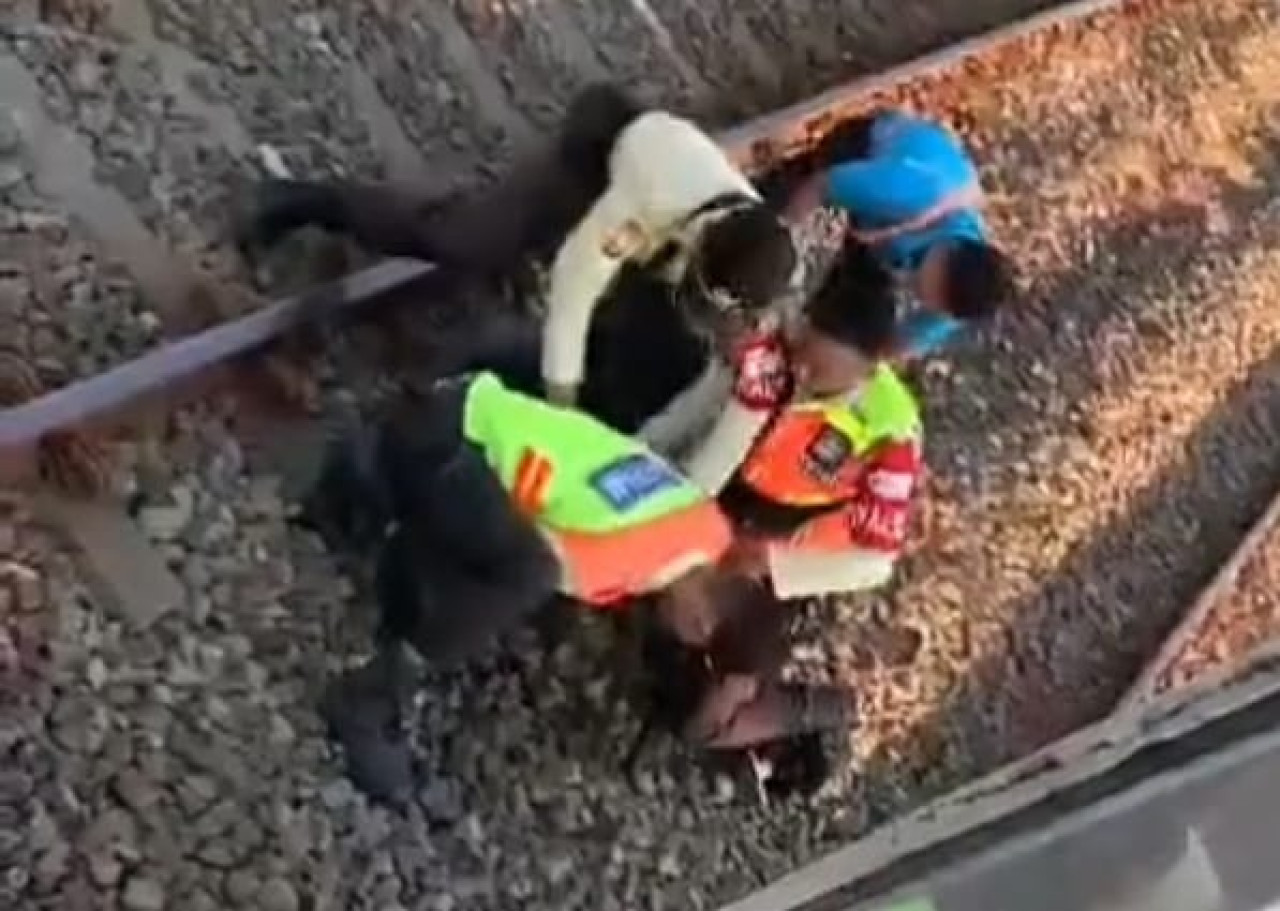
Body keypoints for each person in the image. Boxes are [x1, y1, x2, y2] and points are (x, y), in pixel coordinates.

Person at [236, 82, 797, 429]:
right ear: (707, 239)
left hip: (658, 245)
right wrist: (561, 399)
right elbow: (576, 288)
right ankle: (301, 202)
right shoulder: (655, 192)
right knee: (462, 238)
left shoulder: (752, 257)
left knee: (654, 350)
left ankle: (481, 385)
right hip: (598, 159)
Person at [301, 368, 743, 798]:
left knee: (512, 554)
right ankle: (369, 698)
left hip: (466, 406)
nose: (678, 639)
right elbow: (509, 562)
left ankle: (376, 523)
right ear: (702, 622)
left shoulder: (705, 525)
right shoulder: (626, 562)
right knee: (528, 573)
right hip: (445, 446)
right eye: (693, 645)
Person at [758, 108, 1013, 362]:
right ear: (948, 250)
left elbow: (900, 344)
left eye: (934, 302)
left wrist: (855, 363)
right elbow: (821, 185)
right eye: (929, 291)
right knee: (776, 216)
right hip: (866, 149)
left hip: (890, 238)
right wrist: (780, 240)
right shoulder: (913, 192)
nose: (921, 298)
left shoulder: (959, 294)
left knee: (861, 320)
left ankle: (801, 343)